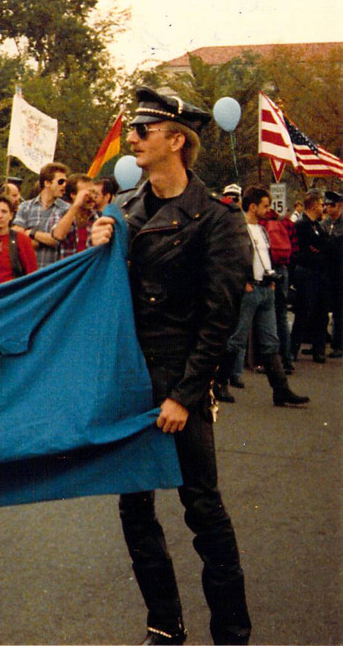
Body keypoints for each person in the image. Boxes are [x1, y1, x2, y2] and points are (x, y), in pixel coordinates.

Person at [90, 87, 252, 645]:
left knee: (203, 510)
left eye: (144, 130)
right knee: (134, 510)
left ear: (177, 141)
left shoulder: (215, 220)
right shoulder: (126, 209)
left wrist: (186, 394)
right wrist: (97, 248)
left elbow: (219, 320)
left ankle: (232, 634)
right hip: (133, 380)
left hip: (179, 380)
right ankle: (164, 625)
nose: (131, 137)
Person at [213, 187, 309, 406]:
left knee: (270, 340)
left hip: (266, 288)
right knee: (237, 338)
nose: (268, 210)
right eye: (265, 206)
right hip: (250, 289)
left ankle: (281, 389)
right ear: (253, 206)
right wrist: (243, 282)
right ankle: (219, 382)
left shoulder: (262, 230)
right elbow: (231, 260)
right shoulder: (239, 228)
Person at [289, 191, 330, 363]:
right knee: (303, 312)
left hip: (320, 274)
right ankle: (292, 349)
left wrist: (319, 249)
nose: (324, 208)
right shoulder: (301, 225)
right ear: (314, 205)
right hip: (306, 273)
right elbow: (303, 250)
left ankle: (319, 349)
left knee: (321, 313)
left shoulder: (318, 226)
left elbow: (325, 245)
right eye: (321, 204)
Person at [11, 161, 69, 269]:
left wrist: (32, 233)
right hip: (28, 272)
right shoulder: (26, 207)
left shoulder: (66, 209)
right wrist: (43, 239)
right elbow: (17, 236)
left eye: (66, 182)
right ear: (47, 183)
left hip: (53, 271)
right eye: (60, 182)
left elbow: (57, 239)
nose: (64, 185)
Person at [50, 173, 98, 260]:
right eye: (86, 193)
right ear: (73, 195)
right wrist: (76, 205)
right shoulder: (61, 212)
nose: (91, 197)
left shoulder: (97, 217)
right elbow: (58, 235)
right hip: (69, 269)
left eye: (93, 192)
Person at [320, 191, 343, 358]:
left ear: (340, 205)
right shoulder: (324, 224)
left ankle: (338, 343)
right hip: (328, 270)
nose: (328, 208)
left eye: (332, 205)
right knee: (326, 306)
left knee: (340, 309)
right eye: (326, 205)